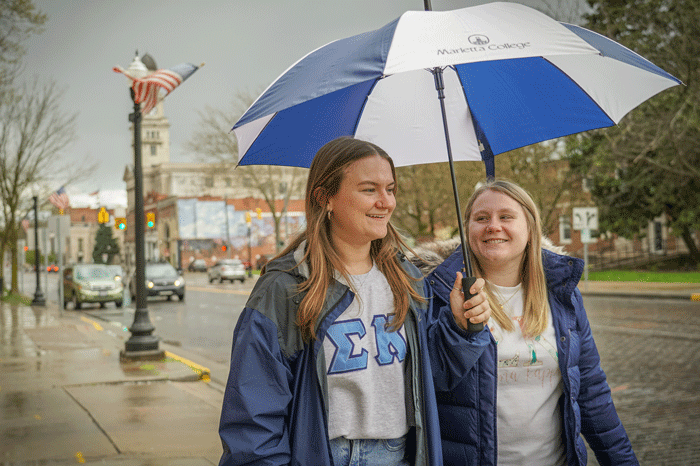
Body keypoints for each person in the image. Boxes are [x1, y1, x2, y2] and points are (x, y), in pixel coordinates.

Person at [218, 136, 492, 466]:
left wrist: (460, 330)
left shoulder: (408, 280)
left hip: (399, 454)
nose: (386, 202)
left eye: (390, 189)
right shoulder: (286, 287)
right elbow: (253, 414)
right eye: (369, 189)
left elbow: (429, 381)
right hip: (324, 456)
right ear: (325, 197)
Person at [420, 179, 637, 466]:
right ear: (467, 230)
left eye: (506, 216)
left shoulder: (562, 295)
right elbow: (425, 386)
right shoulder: (436, 295)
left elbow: (591, 392)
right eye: (480, 218)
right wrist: (458, 328)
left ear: (530, 228)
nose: (493, 226)